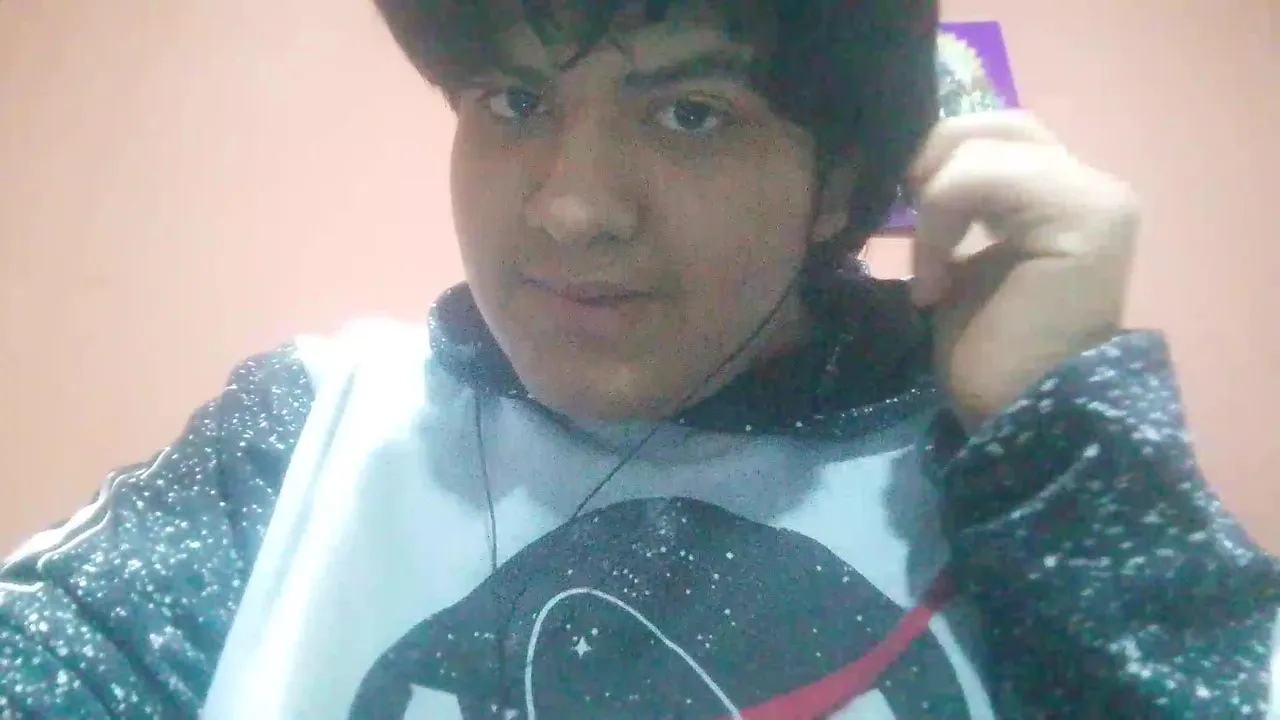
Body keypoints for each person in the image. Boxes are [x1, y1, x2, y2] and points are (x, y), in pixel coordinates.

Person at [2, 0, 1276, 717]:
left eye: (690, 112)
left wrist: (1061, 443)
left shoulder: (1012, 490)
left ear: (839, 186)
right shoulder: (306, 433)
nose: (571, 208)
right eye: (515, 101)